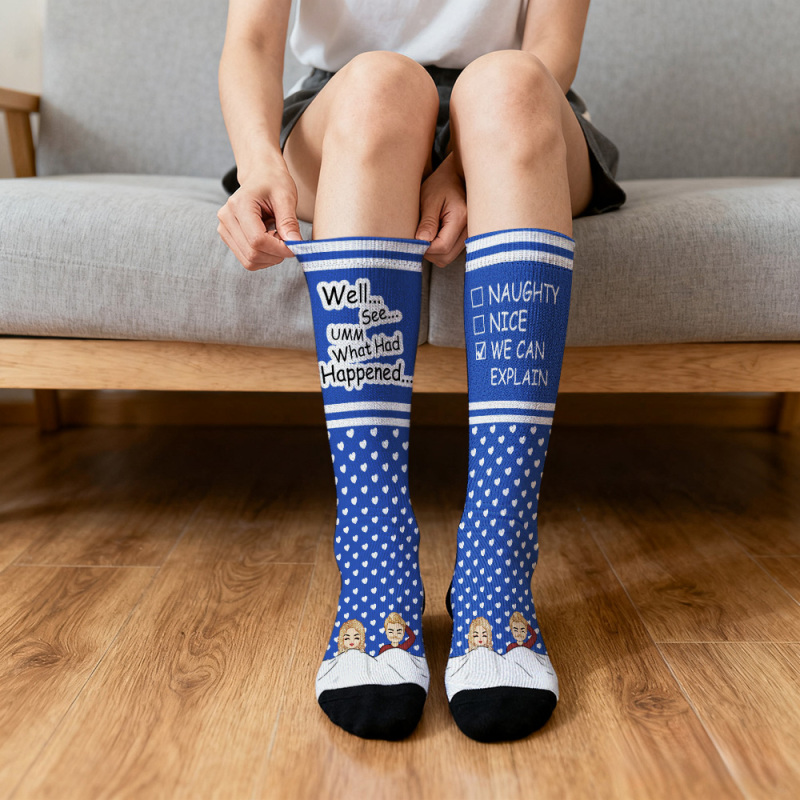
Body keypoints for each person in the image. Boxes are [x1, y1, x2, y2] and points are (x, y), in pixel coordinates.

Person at [217, 0, 626, 744]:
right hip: (344, 110)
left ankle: (497, 566)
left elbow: (551, 46)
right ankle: (375, 567)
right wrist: (259, 165)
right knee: (380, 82)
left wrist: (461, 164)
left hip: (514, 111)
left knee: (508, 84)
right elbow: (250, 39)